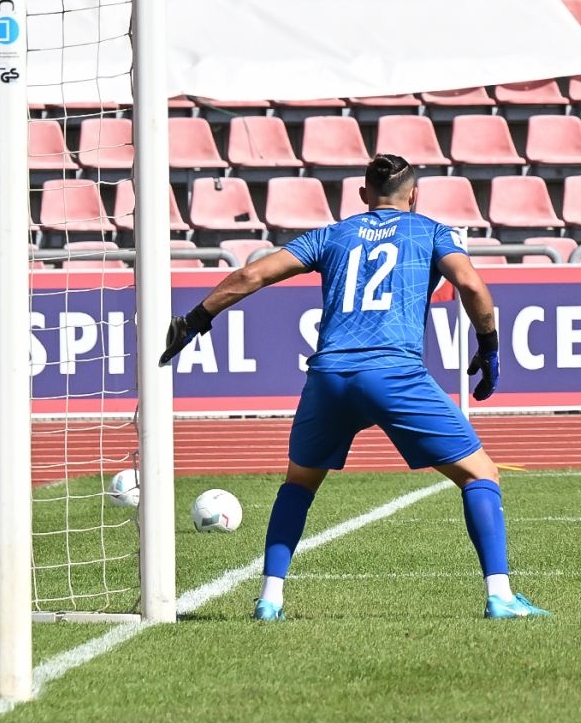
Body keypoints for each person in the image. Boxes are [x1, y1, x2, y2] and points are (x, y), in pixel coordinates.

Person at [159, 154, 545, 621]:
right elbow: (472, 285)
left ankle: (269, 599)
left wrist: (194, 321)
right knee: (481, 475)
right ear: (414, 195)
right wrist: (489, 347)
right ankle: (501, 596)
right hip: (394, 375)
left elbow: (251, 274)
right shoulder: (430, 231)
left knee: (299, 484)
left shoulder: (331, 235)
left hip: (330, 377)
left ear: (363, 195)